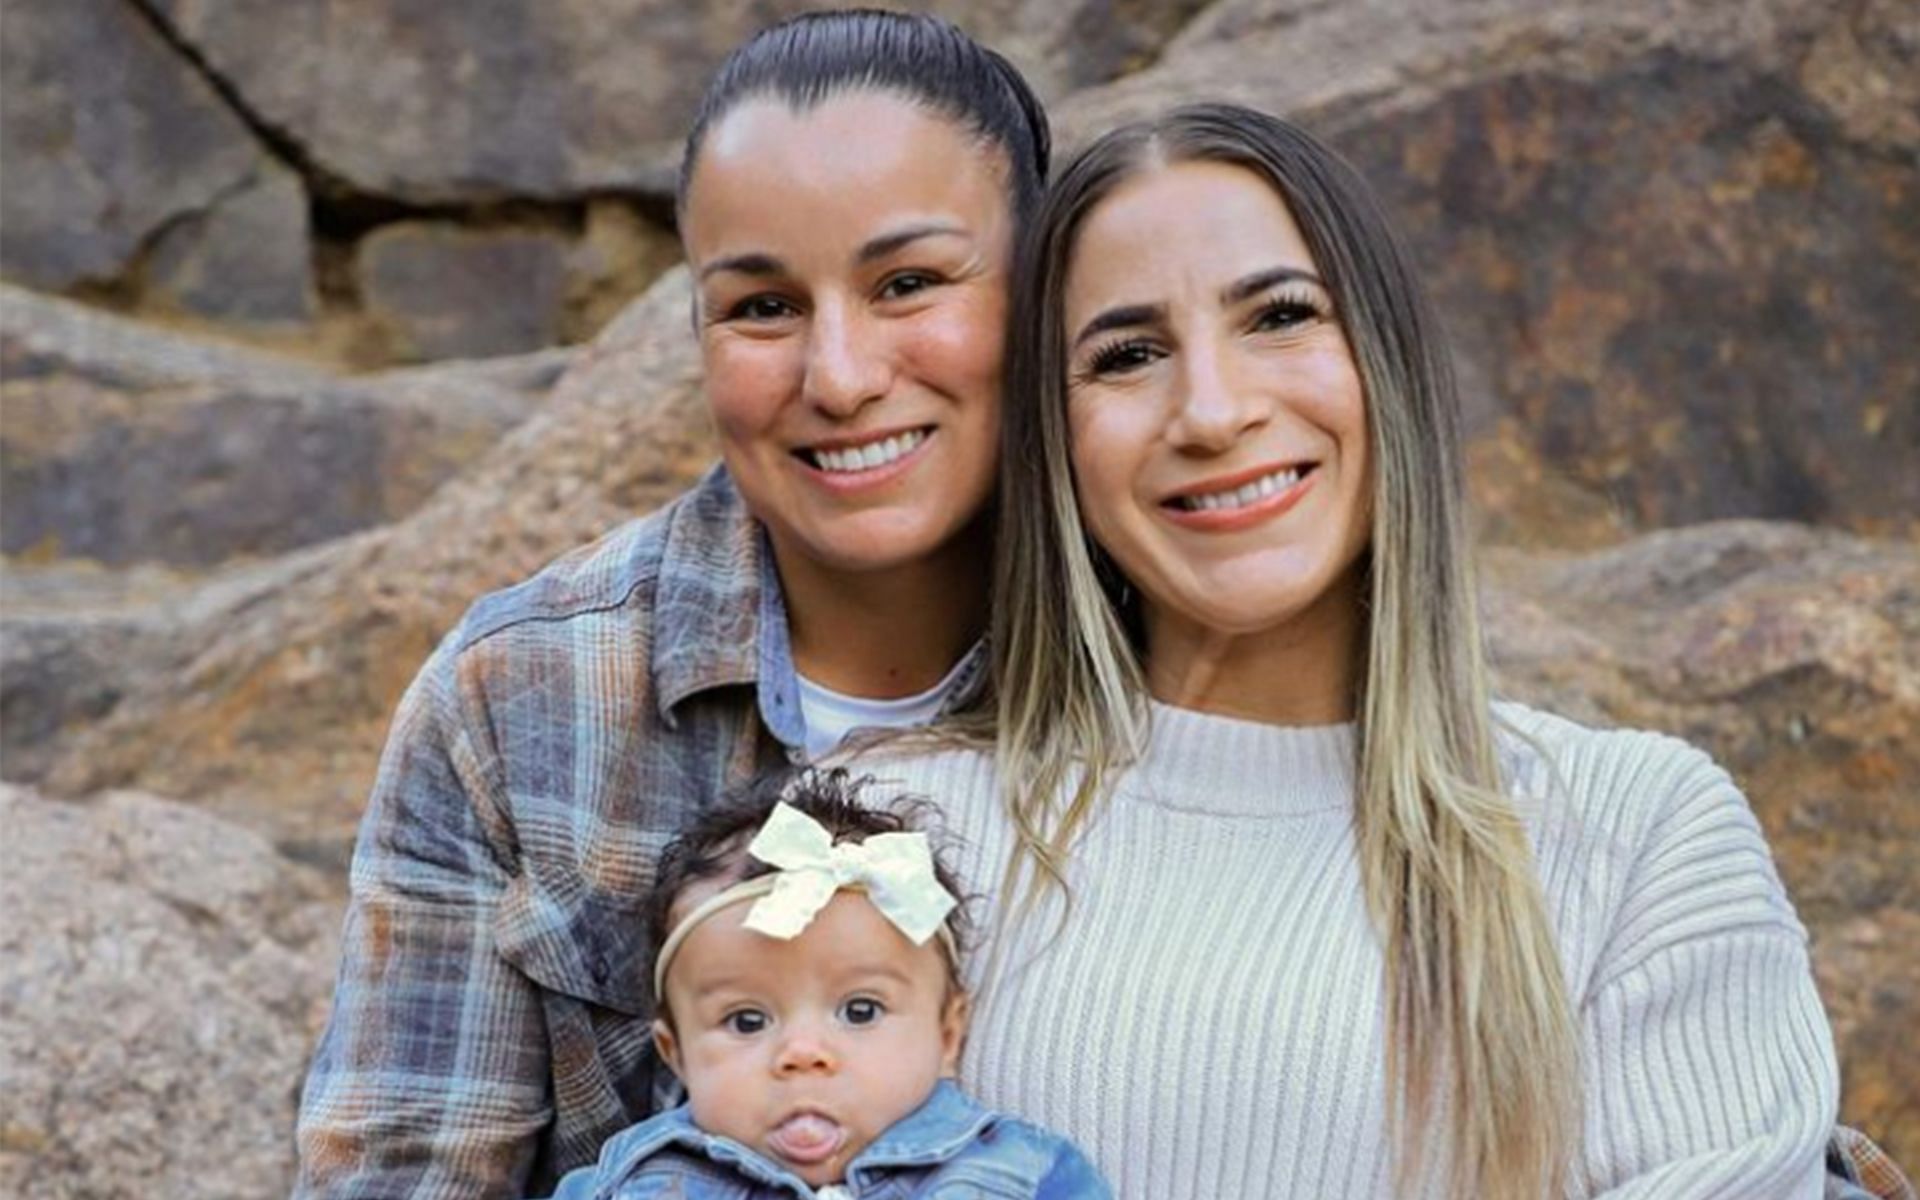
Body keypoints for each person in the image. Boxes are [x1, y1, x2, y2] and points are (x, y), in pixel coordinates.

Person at [858, 103, 1841, 1198]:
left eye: (1279, 316)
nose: (1214, 412)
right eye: (1128, 355)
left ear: (1388, 362)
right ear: (1055, 443)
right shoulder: (886, 835)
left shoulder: (1637, 835)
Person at [293, 12, 1049, 1196]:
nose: (839, 378)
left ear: (1044, 291)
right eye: (761, 307)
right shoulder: (521, 701)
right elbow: (405, 1174)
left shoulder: (1184, 642)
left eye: (908, 283)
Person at [541, 769, 1109, 1199]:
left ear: (948, 1034)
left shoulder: (1022, 1173)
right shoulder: (627, 1182)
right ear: (677, 1053)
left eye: (860, 1010)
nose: (803, 1054)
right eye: (746, 1020)